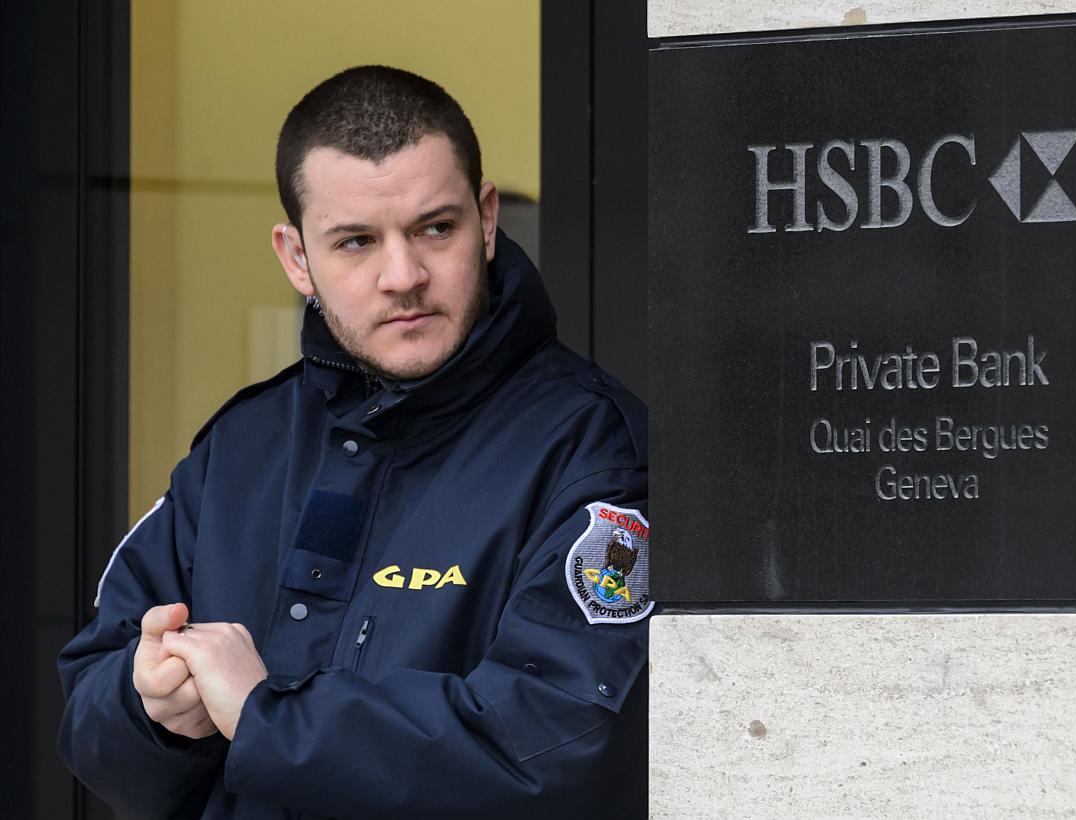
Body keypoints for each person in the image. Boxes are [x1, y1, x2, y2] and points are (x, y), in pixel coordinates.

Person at [56, 65, 651, 818]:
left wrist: (266, 716)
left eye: (437, 228)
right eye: (356, 242)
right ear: (296, 257)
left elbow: (563, 751)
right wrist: (150, 711)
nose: (403, 275)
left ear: (488, 218)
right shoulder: (239, 447)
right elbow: (87, 716)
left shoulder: (594, 450)